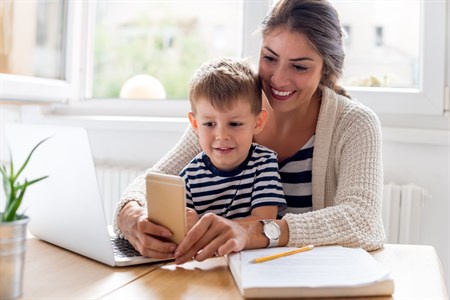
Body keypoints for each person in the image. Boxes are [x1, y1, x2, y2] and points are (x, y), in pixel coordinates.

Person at [114, 0, 385, 264]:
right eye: (269, 58)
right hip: (224, 277)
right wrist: (130, 217)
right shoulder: (232, 110)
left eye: (299, 66)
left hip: (310, 280)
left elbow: (363, 220)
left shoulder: (354, 123)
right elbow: (151, 184)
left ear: (326, 68)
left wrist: (256, 231)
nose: (278, 78)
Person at [180, 57, 286, 222]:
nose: (222, 135)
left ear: (257, 122)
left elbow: (265, 220)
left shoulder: (264, 163)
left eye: (235, 123)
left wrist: (208, 227)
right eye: (209, 124)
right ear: (195, 124)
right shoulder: (188, 177)